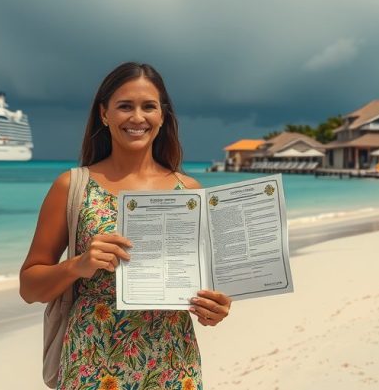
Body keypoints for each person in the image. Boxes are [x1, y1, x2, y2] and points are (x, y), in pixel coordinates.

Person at [20, 62, 232, 389]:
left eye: (148, 107)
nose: (137, 118)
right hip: (90, 358)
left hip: (172, 361)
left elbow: (203, 287)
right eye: (124, 106)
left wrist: (214, 308)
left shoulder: (189, 194)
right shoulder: (72, 186)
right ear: (104, 114)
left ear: (163, 116)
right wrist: (78, 265)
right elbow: (29, 286)